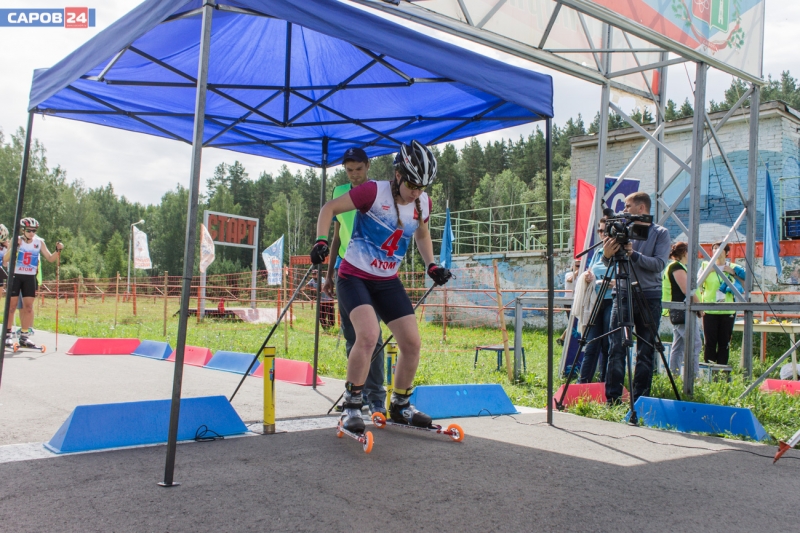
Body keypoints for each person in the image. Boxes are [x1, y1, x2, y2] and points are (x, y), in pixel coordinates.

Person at [310, 140, 451, 434]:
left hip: (386, 280)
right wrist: (321, 241)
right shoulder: (373, 192)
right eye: (412, 184)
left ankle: (400, 405)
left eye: (422, 187)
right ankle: (352, 405)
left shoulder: (422, 202)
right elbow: (329, 208)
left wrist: (431, 265)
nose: (416, 192)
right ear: (398, 175)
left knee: (411, 342)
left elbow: (422, 234)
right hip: (354, 276)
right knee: (368, 336)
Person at [322, 147, 387, 415]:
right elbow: (337, 235)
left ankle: (376, 397)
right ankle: (355, 396)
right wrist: (329, 274)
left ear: (368, 166)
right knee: (352, 336)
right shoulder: (339, 193)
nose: (355, 175)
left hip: (371, 270)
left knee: (372, 335)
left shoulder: (378, 192)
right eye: (349, 170)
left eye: (359, 169)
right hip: (345, 270)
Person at [602, 192, 671, 404]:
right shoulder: (622, 230)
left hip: (649, 296)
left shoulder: (660, 233)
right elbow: (610, 264)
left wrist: (634, 254)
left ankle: (641, 400)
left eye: (627, 205)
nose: (624, 210)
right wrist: (606, 255)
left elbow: (659, 264)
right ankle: (613, 398)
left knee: (645, 349)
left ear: (641, 208)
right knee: (617, 346)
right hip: (623, 293)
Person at [3, 218, 63, 348]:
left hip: (30, 277)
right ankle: (7, 335)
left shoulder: (39, 242)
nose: (32, 233)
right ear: (23, 230)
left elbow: (50, 258)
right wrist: (15, 247)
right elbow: (5, 259)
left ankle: (24, 336)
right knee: (12, 306)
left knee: (29, 307)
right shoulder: (16, 240)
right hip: (16, 276)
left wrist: (58, 250)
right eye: (29, 230)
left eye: (34, 231)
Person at [577, 218, 614, 384]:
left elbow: (626, 276)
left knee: (607, 345)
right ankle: (582, 384)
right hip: (595, 301)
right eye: (600, 231)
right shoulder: (598, 252)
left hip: (612, 300)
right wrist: (588, 277)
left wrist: (613, 283)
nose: (602, 234)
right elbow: (590, 271)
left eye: (606, 231)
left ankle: (605, 384)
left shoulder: (620, 253)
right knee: (591, 344)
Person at [698, 242, 744, 365]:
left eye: (720, 249)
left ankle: (722, 371)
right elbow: (697, 284)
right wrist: (709, 271)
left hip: (727, 311)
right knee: (709, 343)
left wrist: (733, 272)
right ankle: (709, 370)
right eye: (714, 248)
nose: (716, 251)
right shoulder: (705, 265)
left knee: (724, 343)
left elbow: (745, 285)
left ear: (727, 252)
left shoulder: (734, 267)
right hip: (709, 310)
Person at [662, 241, 702, 377]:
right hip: (682, 310)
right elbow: (687, 290)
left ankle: (674, 375)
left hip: (677, 310)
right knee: (694, 343)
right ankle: (693, 376)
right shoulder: (677, 267)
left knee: (678, 346)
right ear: (685, 252)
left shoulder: (675, 266)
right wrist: (699, 306)